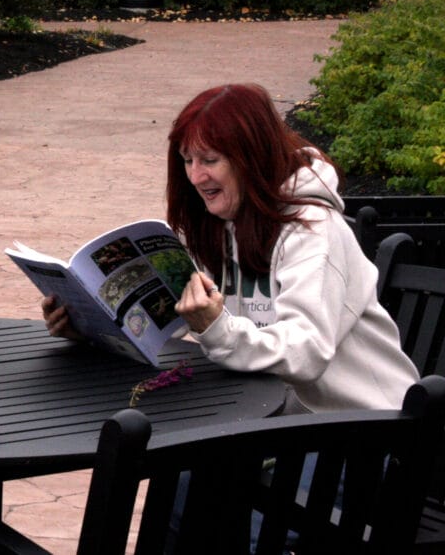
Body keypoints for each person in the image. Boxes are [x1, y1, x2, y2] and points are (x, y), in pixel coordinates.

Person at [43, 83, 417, 413]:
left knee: (198, 474)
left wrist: (217, 328)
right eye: (188, 160)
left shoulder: (313, 230)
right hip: (275, 420)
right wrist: (91, 327)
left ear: (253, 158)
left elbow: (306, 353)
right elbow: (169, 327)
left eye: (210, 160)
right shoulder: (221, 222)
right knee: (186, 470)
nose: (195, 176)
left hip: (363, 431)